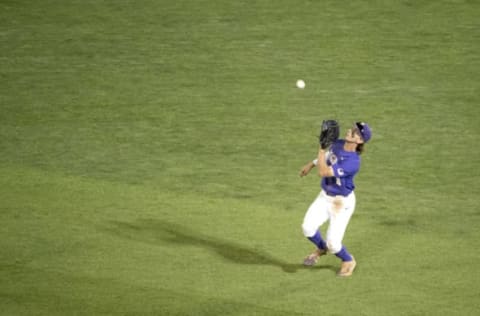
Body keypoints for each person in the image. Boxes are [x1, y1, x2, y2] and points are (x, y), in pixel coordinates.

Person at [299, 122, 372, 277]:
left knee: (334, 244)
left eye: (356, 132)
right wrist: (311, 164)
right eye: (352, 128)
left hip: (341, 203)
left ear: (360, 141)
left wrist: (320, 148)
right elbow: (327, 156)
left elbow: (324, 172)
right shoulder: (338, 143)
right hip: (324, 196)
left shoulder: (353, 162)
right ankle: (321, 247)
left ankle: (348, 260)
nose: (351, 131)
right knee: (307, 228)